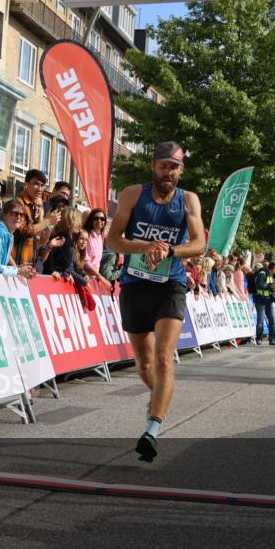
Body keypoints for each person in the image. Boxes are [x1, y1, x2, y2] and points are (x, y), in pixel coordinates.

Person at [106, 141, 205, 462]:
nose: (168, 172)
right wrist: (146, 246)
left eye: (174, 167)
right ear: (154, 166)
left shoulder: (188, 200)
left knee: (164, 358)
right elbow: (113, 239)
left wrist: (170, 251)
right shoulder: (133, 194)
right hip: (135, 284)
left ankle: (152, 428)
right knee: (145, 364)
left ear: (181, 170)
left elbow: (200, 243)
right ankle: (157, 396)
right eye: (163, 166)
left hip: (171, 285)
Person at [12, 169, 60, 267]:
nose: (40, 189)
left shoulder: (35, 207)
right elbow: (25, 230)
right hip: (14, 265)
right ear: (26, 184)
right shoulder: (18, 203)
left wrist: (50, 226)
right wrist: (48, 221)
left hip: (28, 265)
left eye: (42, 185)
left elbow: (39, 242)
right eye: (36, 184)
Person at [83, 208, 113, 289]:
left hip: (94, 279)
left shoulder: (100, 237)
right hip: (85, 278)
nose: (99, 221)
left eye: (102, 219)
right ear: (91, 221)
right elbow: (85, 262)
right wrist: (100, 277)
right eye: (96, 218)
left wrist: (98, 277)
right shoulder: (87, 236)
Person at [253, 262, 275, 345]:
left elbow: (269, 287)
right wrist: (270, 287)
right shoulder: (262, 273)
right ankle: (259, 339)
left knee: (272, 320)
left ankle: (272, 339)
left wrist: (273, 288)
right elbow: (259, 285)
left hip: (269, 300)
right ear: (274, 268)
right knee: (260, 321)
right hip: (260, 299)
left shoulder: (270, 275)